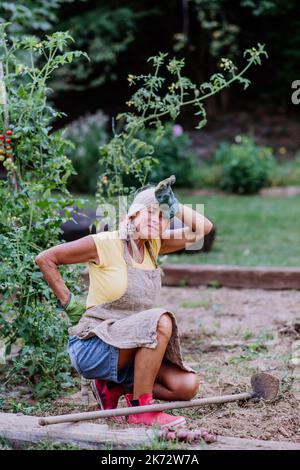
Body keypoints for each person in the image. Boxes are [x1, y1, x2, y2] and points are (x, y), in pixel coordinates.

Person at [35, 175, 214, 428]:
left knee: (186, 386)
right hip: (94, 344)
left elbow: (203, 229)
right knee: (160, 320)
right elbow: (46, 258)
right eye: (150, 213)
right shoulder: (105, 243)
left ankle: (113, 386)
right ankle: (141, 409)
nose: (156, 220)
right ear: (133, 216)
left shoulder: (154, 246)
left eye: (163, 216)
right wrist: (69, 303)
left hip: (131, 346)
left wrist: (174, 205)